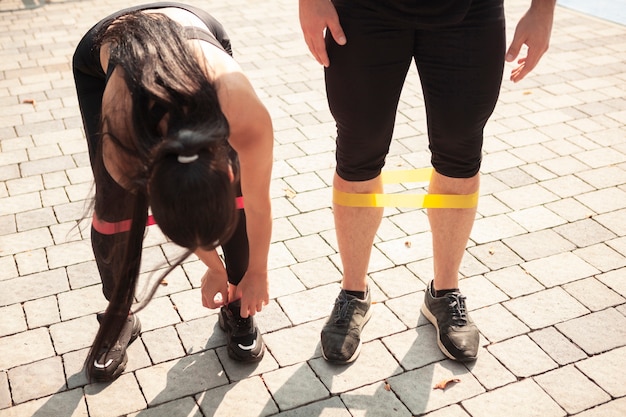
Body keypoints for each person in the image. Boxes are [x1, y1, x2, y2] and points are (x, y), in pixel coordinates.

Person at [299, 0, 555, 363]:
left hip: (470, 13)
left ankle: (444, 292)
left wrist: (543, 9)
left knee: (460, 152)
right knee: (359, 150)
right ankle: (353, 293)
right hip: (363, 11)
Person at [72, 2, 273, 382]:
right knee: (115, 211)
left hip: (197, 34)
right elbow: (176, 209)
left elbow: (260, 205)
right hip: (108, 54)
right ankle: (120, 316)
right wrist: (213, 268)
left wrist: (256, 273)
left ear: (228, 168)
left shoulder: (243, 112)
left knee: (242, 204)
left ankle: (237, 305)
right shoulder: (125, 136)